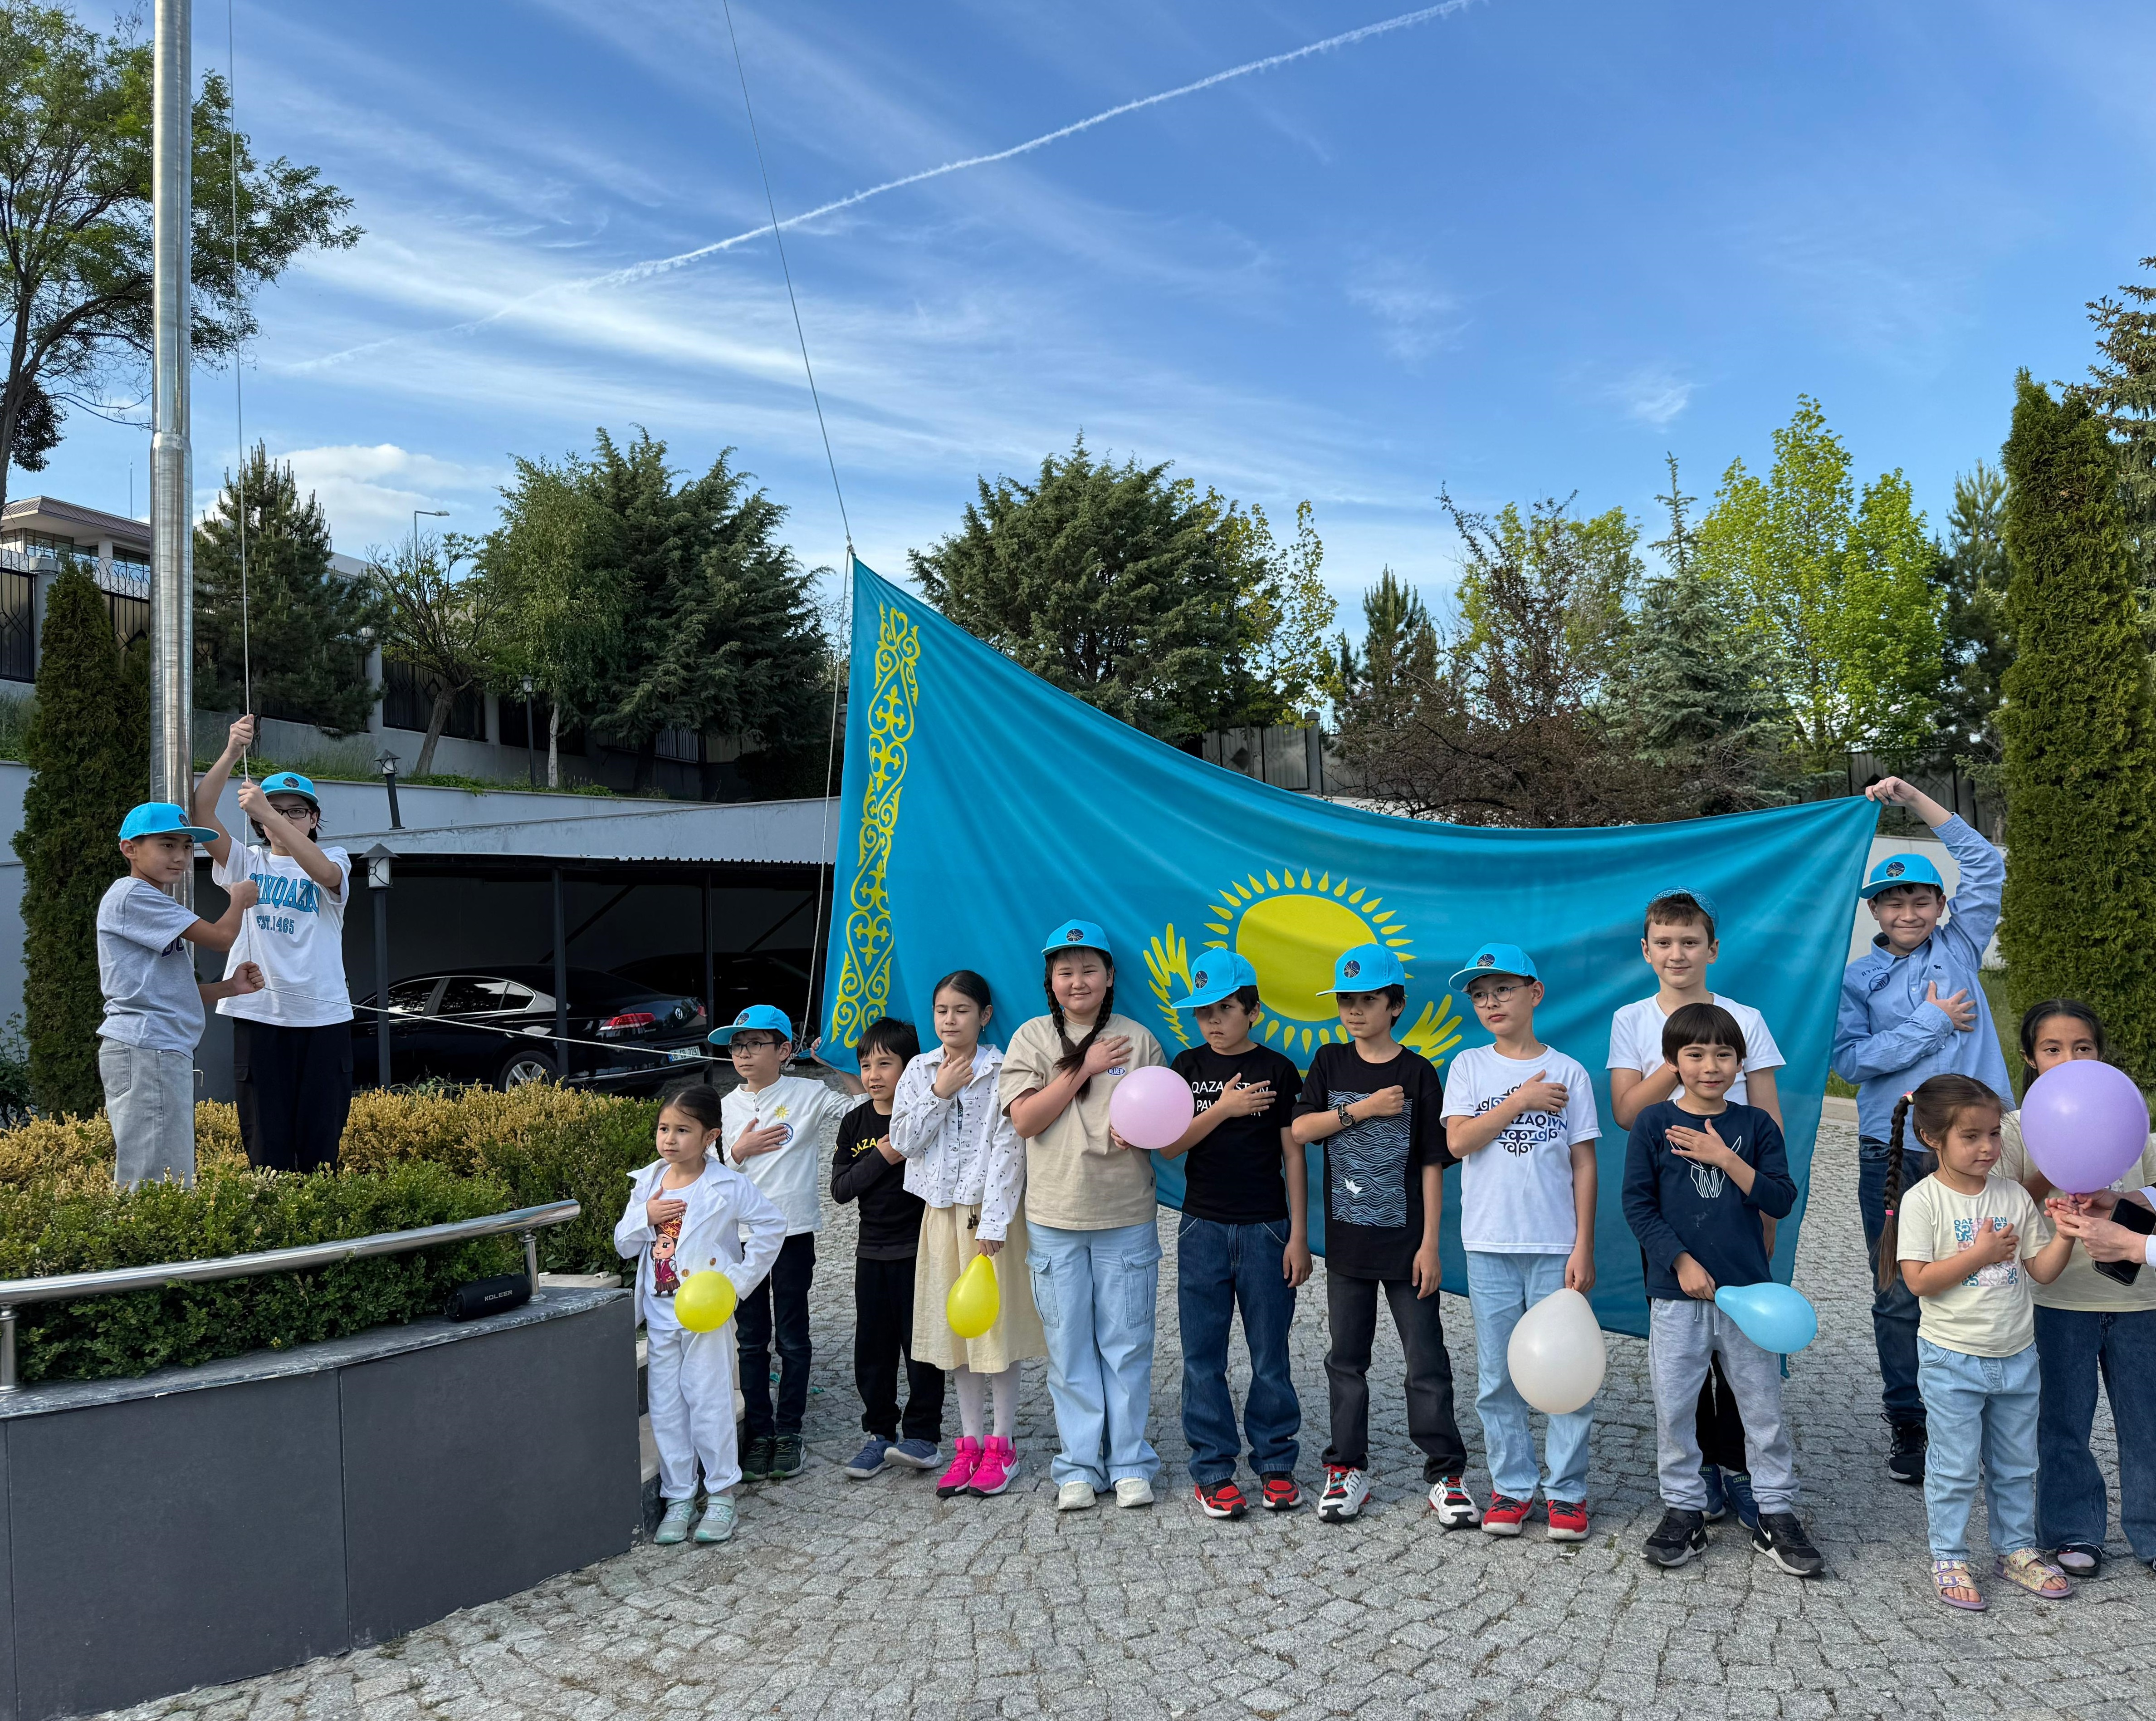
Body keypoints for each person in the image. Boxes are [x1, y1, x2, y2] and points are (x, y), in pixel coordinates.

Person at [1833, 775, 2010, 1486]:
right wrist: (1931, 1022)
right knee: (1898, 1291)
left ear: (1940, 906)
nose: (1907, 911)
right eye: (1893, 900)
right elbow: (1850, 1062)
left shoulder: (1960, 947)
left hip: (1974, 1150)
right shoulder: (1856, 979)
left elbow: (1985, 863)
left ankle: (1976, 1415)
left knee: (1984, 1278)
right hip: (1892, 1152)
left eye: (1920, 899)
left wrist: (1913, 800)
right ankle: (1910, 1419)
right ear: (1874, 909)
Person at [1608, 887, 1788, 1531]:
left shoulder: (1745, 1018)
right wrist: (1678, 1056)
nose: (1676, 953)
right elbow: (1626, 1112)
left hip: (1739, 1208)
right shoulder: (1631, 1018)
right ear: (1646, 950)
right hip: (1673, 1211)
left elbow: (1767, 1118)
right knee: (1683, 1346)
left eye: (1689, 942)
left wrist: (1766, 1212)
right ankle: (1695, 1478)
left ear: (1712, 948)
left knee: (1741, 1352)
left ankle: (1739, 1469)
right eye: (1664, 943)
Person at [1623, 1002, 1823, 1577]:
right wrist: (1680, 1260)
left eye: (1723, 1054)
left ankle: (1775, 1510)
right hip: (1676, 1298)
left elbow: (1779, 1198)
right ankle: (1683, 1508)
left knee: (1761, 1408)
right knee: (1675, 1408)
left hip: (1749, 1299)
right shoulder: (1654, 1123)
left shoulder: (1755, 1126)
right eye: (1695, 1054)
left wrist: (1723, 1157)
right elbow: (1637, 1204)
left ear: (1740, 1062)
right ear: (1672, 1061)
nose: (1710, 1066)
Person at [1290, 943, 1476, 1529]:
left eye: (1367, 999)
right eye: (1345, 999)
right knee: (1346, 1360)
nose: (1354, 1009)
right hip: (1347, 1247)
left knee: (1426, 1361)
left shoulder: (1417, 1072)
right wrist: (1365, 1109)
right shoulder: (1329, 1062)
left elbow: (1431, 1161)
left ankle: (1446, 1474)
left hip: (1407, 1247)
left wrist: (1430, 1244)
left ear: (1395, 1005)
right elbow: (1302, 1129)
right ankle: (1346, 1467)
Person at [1887, 1073, 2076, 1608]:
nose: (1987, 1147)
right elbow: (1918, 1280)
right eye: (1970, 1136)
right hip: (1951, 1358)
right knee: (1953, 1466)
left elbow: (2040, 1271)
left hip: (2016, 1355)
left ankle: (2014, 1549)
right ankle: (1949, 1555)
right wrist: (1980, 1254)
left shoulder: (2012, 1194)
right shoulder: (1924, 1201)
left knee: (2017, 1464)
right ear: (1931, 1137)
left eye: (1994, 1133)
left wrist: (2065, 1235)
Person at [1000, 919, 1167, 1512]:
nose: (1078, 981)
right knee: (1069, 1347)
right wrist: (1084, 1066)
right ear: (1050, 980)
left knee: (1127, 1344)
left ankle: (1129, 1462)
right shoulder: (1030, 1039)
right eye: (1065, 971)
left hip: (1125, 1212)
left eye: (1089, 969)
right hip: (1054, 1215)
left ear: (1110, 976)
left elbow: (1165, 1121)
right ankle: (1077, 1464)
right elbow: (1025, 1120)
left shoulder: (1139, 1041)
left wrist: (1140, 1132)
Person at [1441, 942, 1600, 1542]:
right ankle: (1511, 1488)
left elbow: (1584, 1163)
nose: (1490, 1002)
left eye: (1503, 989)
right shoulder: (1468, 1067)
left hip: (1555, 1245)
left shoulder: (1570, 1072)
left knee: (1568, 1371)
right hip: (1489, 1244)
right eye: (1479, 995)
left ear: (1535, 993)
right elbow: (1458, 1142)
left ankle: (1567, 1493)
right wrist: (1519, 1101)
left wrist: (1583, 1245)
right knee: (1497, 1377)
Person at [1994, 1000, 2156, 1579]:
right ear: (2029, 1058)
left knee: (2147, 1422)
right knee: (2062, 1423)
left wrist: (2123, 1204)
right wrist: (2056, 1167)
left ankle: (2150, 1530)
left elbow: (2151, 1195)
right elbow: (1998, 1204)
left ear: (2100, 1052)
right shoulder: (2013, 1129)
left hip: (2139, 1300)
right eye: (2052, 1049)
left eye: (2082, 1047)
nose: (2068, 1059)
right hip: (2056, 1300)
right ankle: (2071, 1529)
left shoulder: (2126, 1113)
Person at [1157, 951, 1310, 1519]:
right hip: (1201, 1226)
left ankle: (1276, 1462)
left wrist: (1297, 1234)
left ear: (1253, 1009)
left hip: (1266, 1227)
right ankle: (1213, 1468)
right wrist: (1224, 1108)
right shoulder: (1186, 1065)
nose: (1213, 1021)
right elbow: (1169, 1145)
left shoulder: (1279, 1068)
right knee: (1203, 1355)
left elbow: (1293, 1156)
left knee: (1270, 1354)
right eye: (1203, 1012)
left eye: (1224, 1008)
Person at [891, 970, 1044, 1500]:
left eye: (961, 1010)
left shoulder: (1003, 1069)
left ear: (984, 1015)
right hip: (940, 1213)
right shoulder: (919, 1070)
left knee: (994, 1330)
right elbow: (903, 1140)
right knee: (956, 1332)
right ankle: (970, 1441)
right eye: (942, 1010)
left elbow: (1010, 1148)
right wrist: (939, 1092)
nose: (950, 1020)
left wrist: (996, 1222)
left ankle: (1003, 1443)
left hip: (989, 1214)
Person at [615, 1082, 786, 1546]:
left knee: (709, 1401)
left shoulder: (727, 1185)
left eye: (683, 1130)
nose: (669, 1139)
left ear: (710, 1136)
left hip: (706, 1315)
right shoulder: (648, 1183)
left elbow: (772, 1225)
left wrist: (736, 1283)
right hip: (660, 1314)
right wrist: (645, 1215)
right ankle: (679, 1496)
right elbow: (624, 1243)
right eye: (663, 1128)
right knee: (667, 1407)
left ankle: (722, 1493)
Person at [193, 718, 356, 1173]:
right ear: (257, 821)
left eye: (296, 811)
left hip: (324, 1020)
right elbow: (201, 814)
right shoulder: (247, 860)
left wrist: (267, 814)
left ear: (315, 819)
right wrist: (231, 751)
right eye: (276, 809)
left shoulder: (334, 858)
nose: (285, 818)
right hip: (260, 1016)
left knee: (320, 1144)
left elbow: (326, 875)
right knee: (267, 1146)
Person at [711, 1004, 864, 1484]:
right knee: (750, 1338)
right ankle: (759, 1432)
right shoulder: (724, 1106)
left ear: (784, 1050)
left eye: (756, 1044)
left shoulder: (808, 1093)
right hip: (740, 1238)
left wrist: (839, 1066)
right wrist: (739, 1151)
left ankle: (790, 1429)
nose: (743, 1053)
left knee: (793, 1336)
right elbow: (707, 1172)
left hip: (792, 1232)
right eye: (737, 1045)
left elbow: (863, 1111)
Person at [97, 803, 265, 1189]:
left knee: (163, 1176)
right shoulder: (134, 896)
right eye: (167, 844)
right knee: (158, 1184)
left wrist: (229, 988)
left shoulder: (146, 899)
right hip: (149, 1047)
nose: (180, 856)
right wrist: (238, 898)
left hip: (153, 1047)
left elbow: (164, 992)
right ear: (129, 849)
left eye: (188, 847)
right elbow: (222, 938)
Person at [830, 1015, 946, 1482]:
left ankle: (922, 1435)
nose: (873, 1074)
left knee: (922, 1348)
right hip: (871, 1253)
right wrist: (883, 1154)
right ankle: (879, 1433)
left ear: (910, 1067)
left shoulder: (923, 1116)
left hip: (920, 1250)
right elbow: (841, 1189)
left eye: (885, 1063)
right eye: (865, 1065)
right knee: (872, 1350)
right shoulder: (855, 1121)